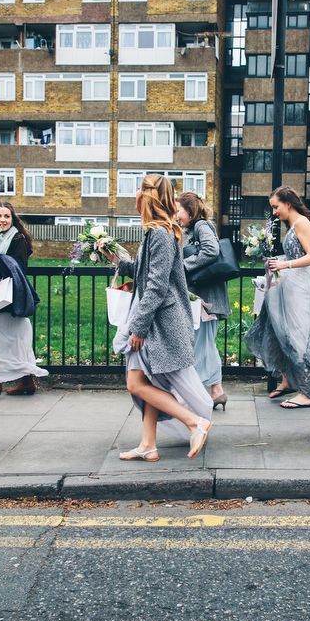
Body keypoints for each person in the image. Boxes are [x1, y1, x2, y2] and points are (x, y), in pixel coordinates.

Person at [101, 174, 213, 462]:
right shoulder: (156, 232)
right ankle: (148, 445)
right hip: (153, 322)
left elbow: (157, 285)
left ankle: (194, 422)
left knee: (136, 384)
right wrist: (114, 257)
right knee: (148, 382)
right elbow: (142, 270)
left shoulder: (161, 233)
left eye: (141, 190)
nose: (137, 195)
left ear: (150, 198)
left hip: (160, 325)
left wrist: (138, 327)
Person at [245, 186, 310, 408]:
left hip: (300, 285)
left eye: (276, 207)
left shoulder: (302, 224)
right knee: (282, 331)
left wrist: (284, 264)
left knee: (296, 334)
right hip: (289, 282)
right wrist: (276, 262)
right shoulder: (292, 225)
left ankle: (305, 393)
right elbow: (293, 255)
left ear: (288, 203)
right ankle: (288, 380)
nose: (275, 212)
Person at [0, 202, 48, 398]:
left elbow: (17, 266)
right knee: (13, 340)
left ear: (12, 219)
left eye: (6, 216)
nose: (2, 220)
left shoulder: (17, 239)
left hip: (9, 298)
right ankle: (26, 381)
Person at [176, 192, 231, 410]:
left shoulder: (201, 226)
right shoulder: (192, 228)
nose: (176, 215)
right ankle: (217, 392)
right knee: (206, 344)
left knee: (199, 345)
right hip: (204, 298)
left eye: (178, 210)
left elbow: (211, 250)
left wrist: (182, 266)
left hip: (206, 299)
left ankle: (194, 395)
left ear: (189, 210)